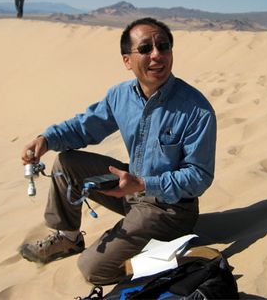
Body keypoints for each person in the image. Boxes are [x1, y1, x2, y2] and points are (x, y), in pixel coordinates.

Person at [20, 17, 217, 285]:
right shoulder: (120, 96)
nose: (157, 55)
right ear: (127, 60)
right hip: (130, 189)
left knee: (93, 269)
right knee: (66, 162)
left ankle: (177, 257)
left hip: (169, 211)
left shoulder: (196, 109)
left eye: (164, 46)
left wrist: (144, 183)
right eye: (146, 49)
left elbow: (199, 177)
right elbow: (84, 127)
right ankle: (68, 238)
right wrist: (46, 139)